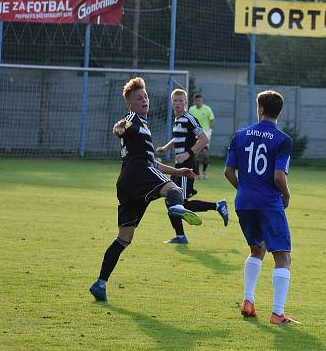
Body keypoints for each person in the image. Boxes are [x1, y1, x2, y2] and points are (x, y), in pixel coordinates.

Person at [89, 77, 203, 302]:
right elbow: (120, 127)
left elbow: (154, 164)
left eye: (146, 97)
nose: (145, 100)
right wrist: (118, 128)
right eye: (139, 97)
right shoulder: (132, 118)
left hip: (128, 181)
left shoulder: (143, 128)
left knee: (124, 238)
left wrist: (179, 172)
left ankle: (100, 283)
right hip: (138, 173)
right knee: (174, 191)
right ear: (129, 103)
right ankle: (176, 208)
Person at [224, 90, 297, 325]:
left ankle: (248, 300)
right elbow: (278, 176)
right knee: (283, 256)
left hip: (244, 203)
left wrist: (244, 190)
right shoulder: (283, 139)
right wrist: (286, 195)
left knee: (257, 249)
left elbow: (227, 172)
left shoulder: (239, 135)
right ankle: (277, 313)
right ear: (278, 111)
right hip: (269, 203)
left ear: (261, 109)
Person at [159, 88, 228, 244]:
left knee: (178, 202)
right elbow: (177, 140)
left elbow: (204, 139)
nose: (177, 103)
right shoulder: (178, 120)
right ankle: (181, 236)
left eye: (180, 101)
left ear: (186, 102)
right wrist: (165, 148)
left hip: (186, 166)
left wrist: (188, 154)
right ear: (171, 102)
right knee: (172, 201)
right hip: (178, 166)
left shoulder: (189, 118)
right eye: (175, 100)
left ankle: (218, 206)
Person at [188, 93, 215, 179]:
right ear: (194, 101)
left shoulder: (207, 109)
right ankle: (197, 173)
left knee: (206, 154)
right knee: (195, 154)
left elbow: (212, 120)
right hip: (195, 136)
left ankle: (205, 172)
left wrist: (209, 131)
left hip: (204, 136)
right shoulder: (191, 109)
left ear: (202, 100)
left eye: (199, 100)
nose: (198, 102)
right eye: (196, 100)